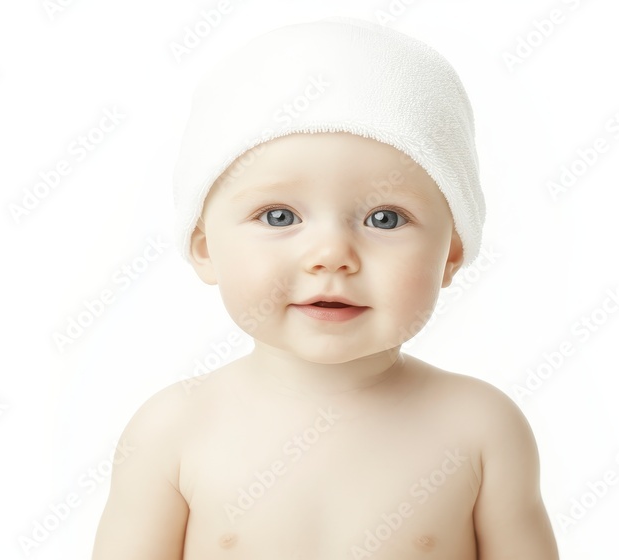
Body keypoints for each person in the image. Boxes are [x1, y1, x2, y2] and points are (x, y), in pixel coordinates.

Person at [93, 16, 558, 559]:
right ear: (203, 246)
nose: (331, 255)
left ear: (451, 252)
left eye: (385, 218)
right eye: (278, 215)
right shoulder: (173, 432)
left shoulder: (480, 430)